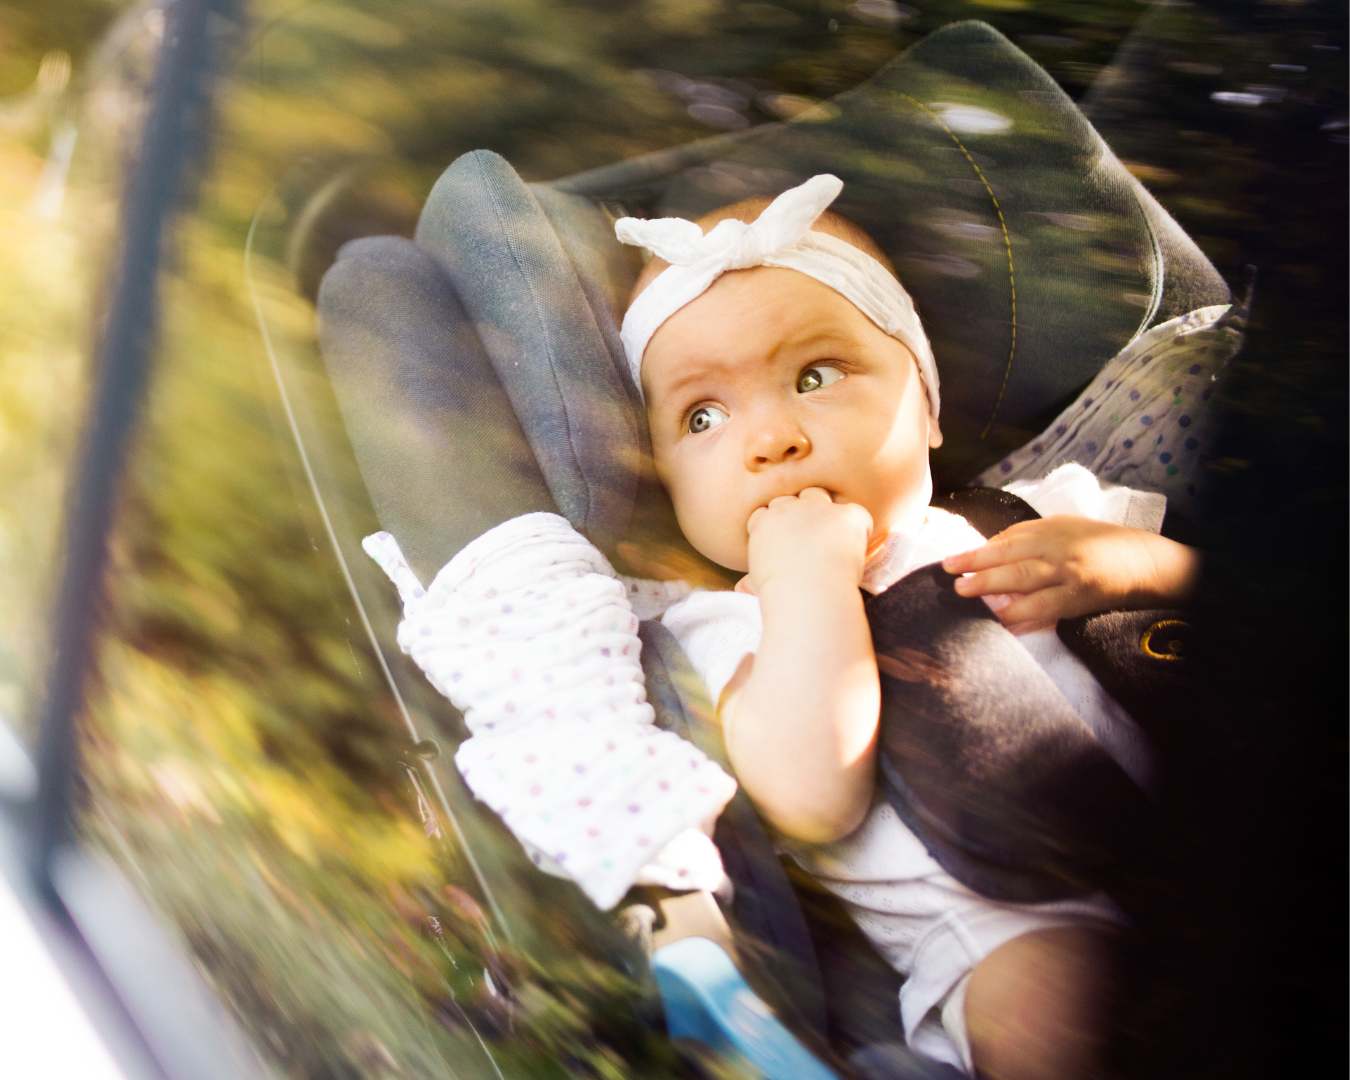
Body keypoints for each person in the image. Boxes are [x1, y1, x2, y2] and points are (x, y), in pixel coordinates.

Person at [615, 174, 1201, 1079]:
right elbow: (815, 797)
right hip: (1009, 926)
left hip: (1210, 823)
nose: (770, 439)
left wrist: (1133, 565)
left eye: (815, 375)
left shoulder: (1043, 508)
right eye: (704, 416)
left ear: (923, 405)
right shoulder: (727, 625)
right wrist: (806, 575)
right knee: (1055, 1008)